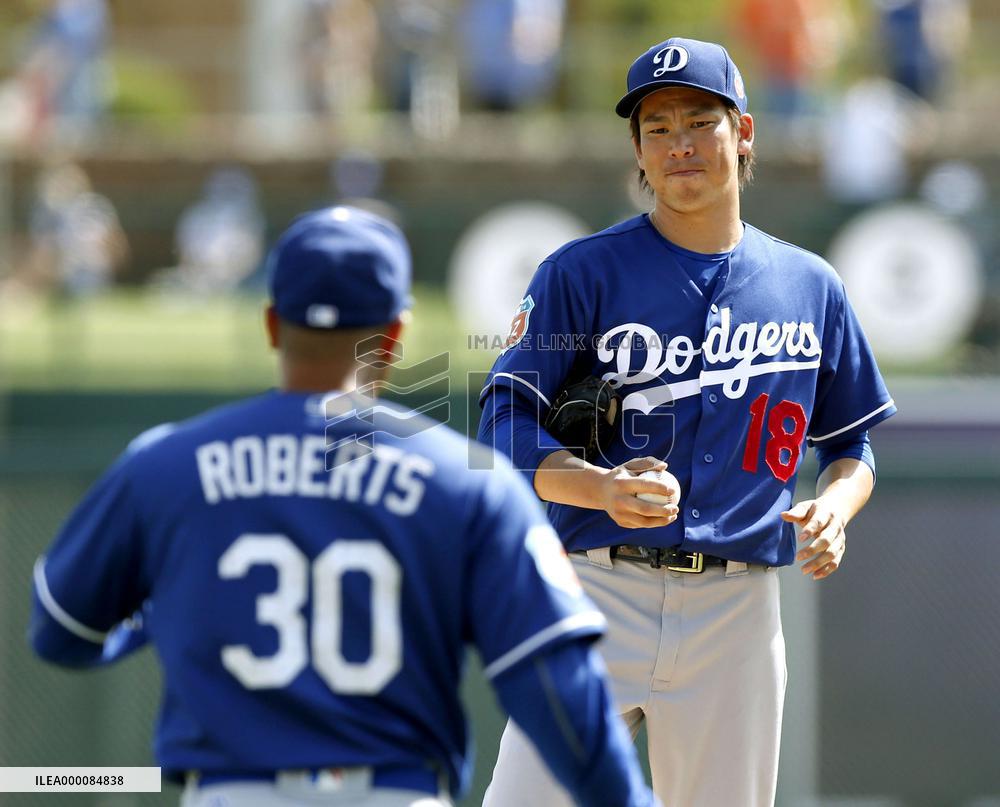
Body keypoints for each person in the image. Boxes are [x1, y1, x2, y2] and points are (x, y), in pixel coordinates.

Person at [29, 206, 658, 807]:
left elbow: (60, 631)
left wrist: (155, 615)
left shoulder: (164, 464)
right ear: (396, 334)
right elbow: (558, 693)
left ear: (273, 324)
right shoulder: (470, 485)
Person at [477, 36, 896, 807]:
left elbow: (852, 442)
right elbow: (502, 417)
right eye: (657, 126)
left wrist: (836, 507)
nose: (678, 144)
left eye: (698, 120)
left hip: (737, 609)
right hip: (596, 587)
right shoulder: (582, 271)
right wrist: (597, 486)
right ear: (637, 147)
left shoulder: (811, 285)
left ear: (742, 132)